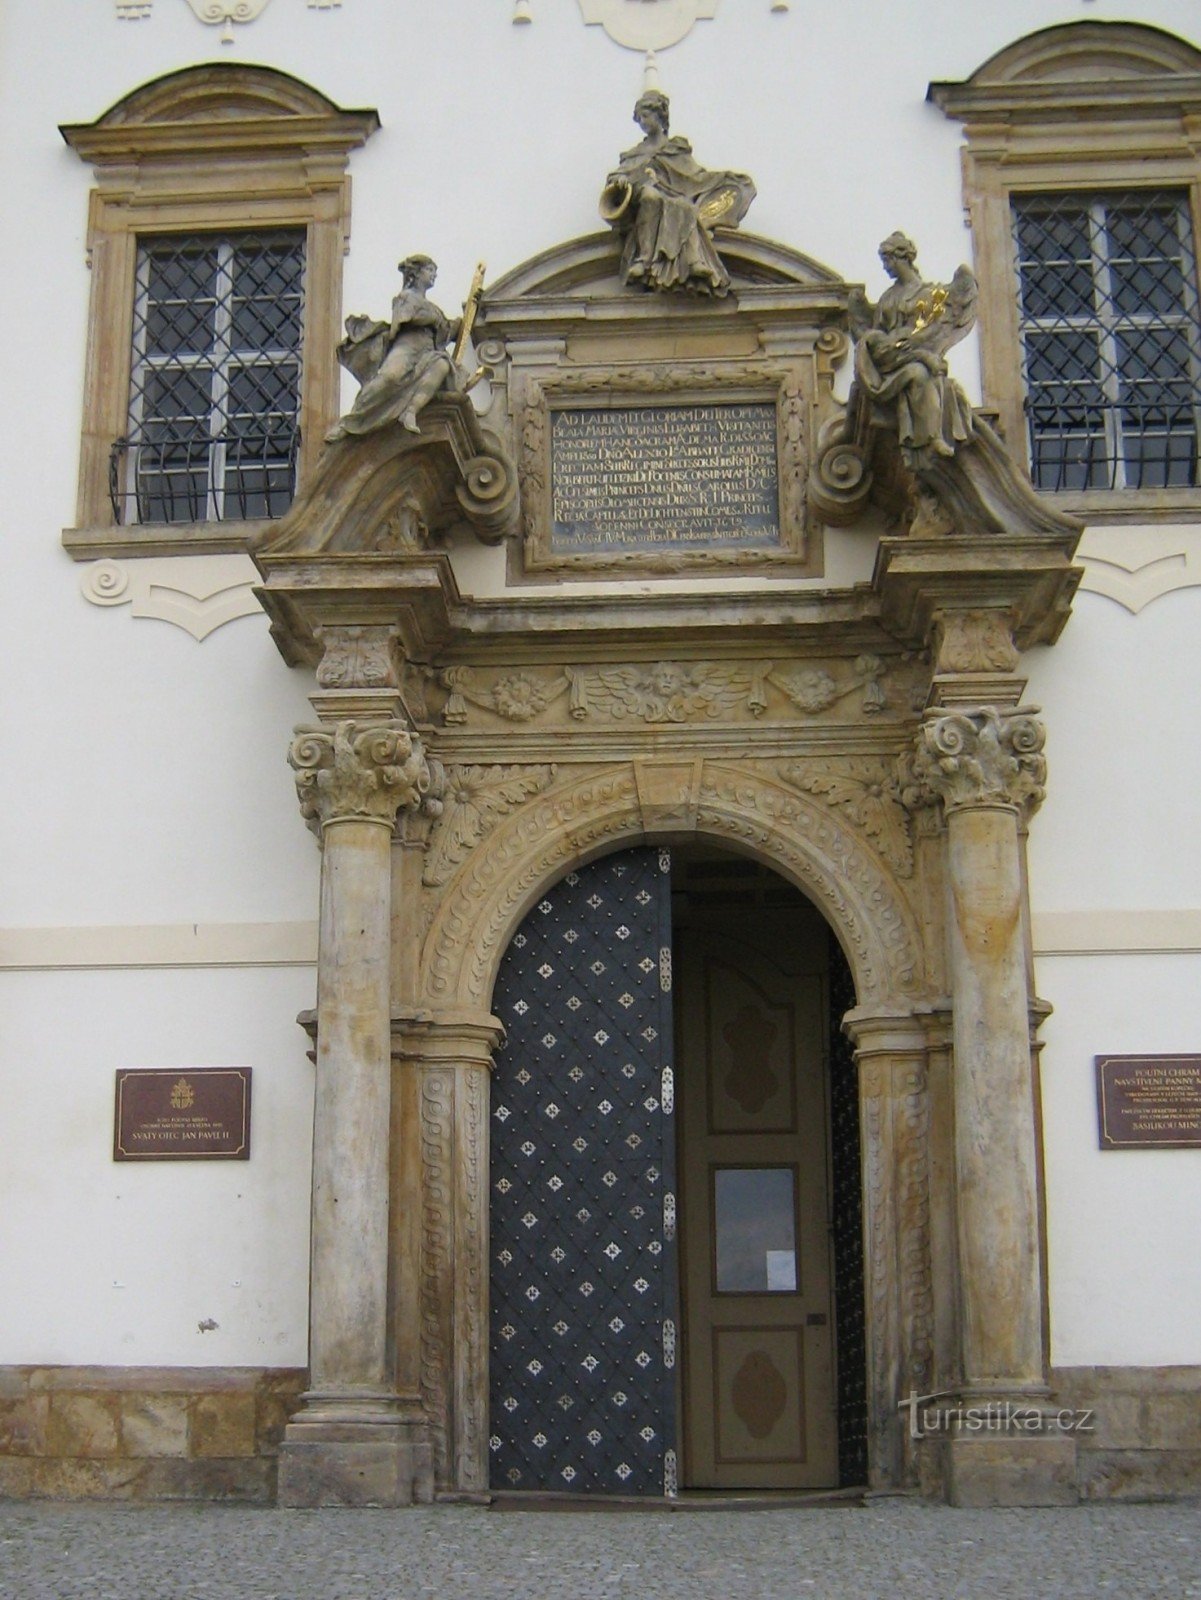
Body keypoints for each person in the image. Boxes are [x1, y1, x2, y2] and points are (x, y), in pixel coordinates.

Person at [600, 91, 755, 297]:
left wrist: (721, 179)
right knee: (650, 196)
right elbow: (620, 174)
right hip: (644, 195)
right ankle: (643, 260)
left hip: (672, 196)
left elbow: (695, 176)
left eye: (646, 116)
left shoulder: (675, 148)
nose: (643, 122)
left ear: (659, 116)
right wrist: (620, 178)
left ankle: (693, 261)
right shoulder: (636, 153)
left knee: (686, 207)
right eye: (640, 118)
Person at [850, 231, 977, 468]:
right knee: (920, 372)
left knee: (923, 374)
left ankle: (933, 438)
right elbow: (876, 336)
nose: (886, 267)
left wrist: (915, 341)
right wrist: (895, 343)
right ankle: (930, 438)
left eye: (888, 260)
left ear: (902, 258)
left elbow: (935, 329)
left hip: (913, 352)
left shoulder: (931, 294)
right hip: (891, 361)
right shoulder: (888, 298)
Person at [326, 254, 460, 442]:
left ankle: (410, 411)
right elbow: (403, 318)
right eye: (430, 270)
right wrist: (431, 319)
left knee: (442, 366)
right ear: (417, 273)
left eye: (434, 271)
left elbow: (446, 330)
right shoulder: (405, 297)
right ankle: (350, 421)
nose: (434, 275)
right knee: (390, 377)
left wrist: (467, 316)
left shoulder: (433, 308)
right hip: (407, 346)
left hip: (428, 350)